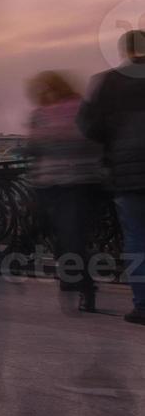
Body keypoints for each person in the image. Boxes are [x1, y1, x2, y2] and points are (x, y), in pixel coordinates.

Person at [78, 29, 145, 326]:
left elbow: (87, 124)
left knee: (136, 239)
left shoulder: (108, 82)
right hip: (127, 168)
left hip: (127, 171)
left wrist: (113, 142)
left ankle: (142, 305)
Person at [28, 72, 105, 311]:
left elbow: (94, 139)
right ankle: (72, 276)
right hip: (48, 183)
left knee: (73, 235)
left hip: (79, 182)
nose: (46, 92)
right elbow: (33, 146)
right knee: (58, 236)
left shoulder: (80, 108)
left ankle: (84, 286)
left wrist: (53, 137)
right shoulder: (39, 114)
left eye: (49, 87)